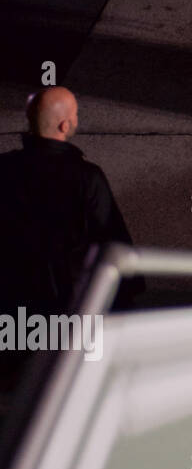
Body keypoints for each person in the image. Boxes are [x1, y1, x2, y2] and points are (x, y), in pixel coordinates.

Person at [0, 87, 133, 317]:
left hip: (10, 303)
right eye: (75, 114)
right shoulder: (87, 177)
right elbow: (111, 238)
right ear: (64, 125)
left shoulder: (4, 168)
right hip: (66, 305)